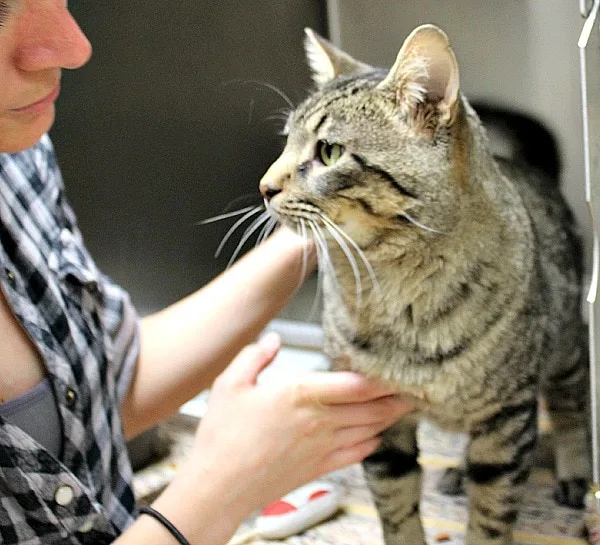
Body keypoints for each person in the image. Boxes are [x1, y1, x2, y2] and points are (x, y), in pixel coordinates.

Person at [0, 2, 414, 544]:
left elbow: (100, 388)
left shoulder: (17, 154)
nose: (75, 47)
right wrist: (223, 484)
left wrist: (326, 222)